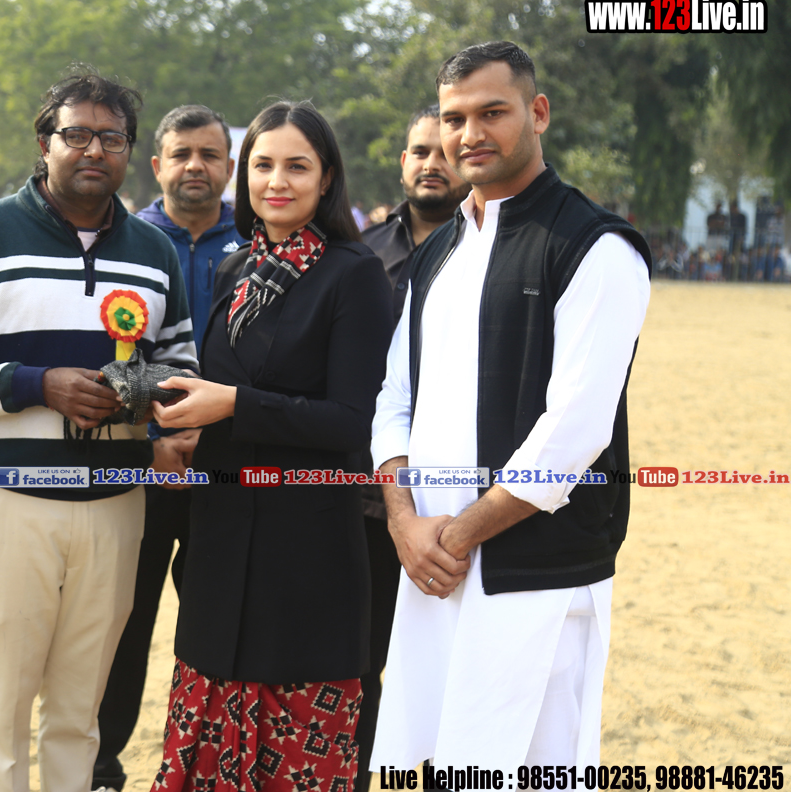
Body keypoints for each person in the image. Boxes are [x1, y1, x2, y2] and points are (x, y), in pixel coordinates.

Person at [368, 41, 652, 770]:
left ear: (538, 113)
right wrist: (403, 522)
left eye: (492, 112)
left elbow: (574, 432)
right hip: (434, 569)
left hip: (536, 576)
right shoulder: (438, 251)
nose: (470, 134)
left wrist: (458, 535)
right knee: (444, 768)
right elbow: (395, 396)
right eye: (454, 118)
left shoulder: (594, 246)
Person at [0, 70, 197, 792]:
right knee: (2, 702)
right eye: (77, 134)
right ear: (45, 144)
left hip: (116, 505)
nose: (94, 150)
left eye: (112, 138)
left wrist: (143, 402)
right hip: (12, 501)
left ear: (130, 151)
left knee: (81, 707)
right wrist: (40, 385)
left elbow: (182, 370)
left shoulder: (155, 251)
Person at [147, 100, 395, 790]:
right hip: (221, 543)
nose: (276, 181)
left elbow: (352, 422)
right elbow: (226, 389)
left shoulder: (354, 274)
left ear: (327, 177)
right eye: (262, 165)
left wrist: (234, 404)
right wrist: (191, 425)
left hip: (305, 553)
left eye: (297, 166)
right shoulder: (237, 270)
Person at [92, 103, 242, 792]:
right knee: (123, 629)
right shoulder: (125, 244)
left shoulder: (258, 245)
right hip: (139, 472)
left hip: (229, 476)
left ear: (230, 167)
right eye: (181, 154)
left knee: (218, 630)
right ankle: (102, 765)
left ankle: (213, 768)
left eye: (209, 154)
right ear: (157, 165)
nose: (195, 166)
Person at [352, 103, 471, 792]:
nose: (431, 163)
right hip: (370, 504)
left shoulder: (489, 251)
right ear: (403, 163)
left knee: (451, 670)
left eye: (443, 150)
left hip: (464, 504)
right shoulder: (361, 254)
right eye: (419, 151)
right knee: (362, 663)